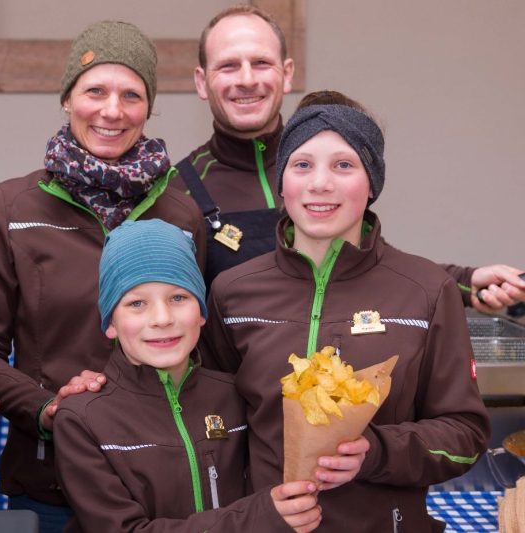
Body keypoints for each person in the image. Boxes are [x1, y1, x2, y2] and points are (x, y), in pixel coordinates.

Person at [0, 21, 206, 531]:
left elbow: (201, 345)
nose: (112, 110)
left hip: (162, 484)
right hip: (51, 482)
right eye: (95, 91)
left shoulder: (182, 216)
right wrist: (47, 409)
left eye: (131, 95)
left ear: (148, 106)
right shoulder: (10, 208)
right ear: (67, 99)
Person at [201, 102, 491, 531]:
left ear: (372, 183)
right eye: (302, 164)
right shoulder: (232, 292)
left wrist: (377, 451)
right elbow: (214, 427)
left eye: (343, 165)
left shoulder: (428, 291)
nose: (320, 183)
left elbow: (465, 436)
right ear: (282, 183)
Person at [170, 5, 525, 308]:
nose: (247, 79)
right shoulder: (178, 189)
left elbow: (376, 263)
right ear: (201, 82)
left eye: (261, 62)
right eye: (228, 66)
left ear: (287, 73)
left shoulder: (328, 168)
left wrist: (467, 282)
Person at [55, 218, 363, 532]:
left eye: (178, 297)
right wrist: (256, 519)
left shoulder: (236, 396)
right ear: (110, 322)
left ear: (202, 312)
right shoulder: (82, 419)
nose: (162, 318)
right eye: (136, 303)